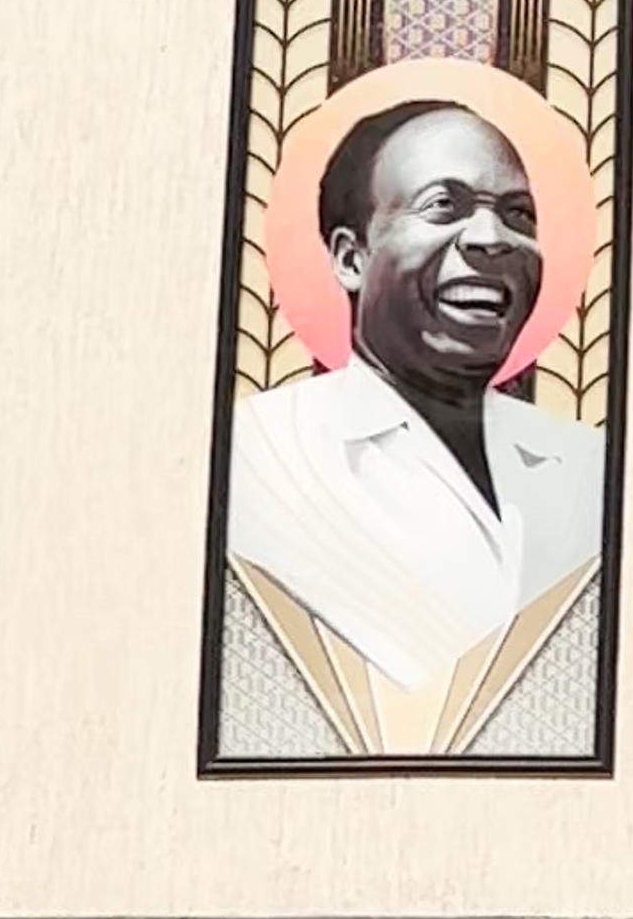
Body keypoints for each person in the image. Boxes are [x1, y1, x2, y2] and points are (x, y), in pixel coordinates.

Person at [224, 97, 603, 705]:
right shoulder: (253, 455)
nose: (491, 238)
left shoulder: (595, 466)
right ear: (351, 258)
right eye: (442, 206)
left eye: (518, 215)